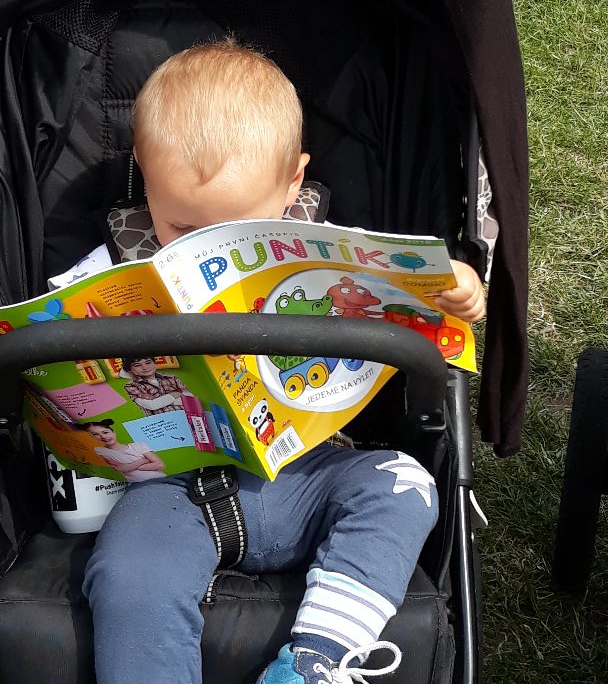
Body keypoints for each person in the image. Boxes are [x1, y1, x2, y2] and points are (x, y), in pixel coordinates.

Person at [76, 40, 486, 684]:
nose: (207, 244)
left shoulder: (329, 257)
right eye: (182, 228)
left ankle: (313, 661)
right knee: (128, 576)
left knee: (404, 487)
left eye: (235, 227)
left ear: (294, 181)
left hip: (310, 472)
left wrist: (455, 286)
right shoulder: (115, 265)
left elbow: (421, 292)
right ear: (142, 172)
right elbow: (53, 338)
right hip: (170, 489)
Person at [82, 418, 166, 482]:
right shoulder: (100, 451)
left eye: (105, 432)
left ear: (113, 432)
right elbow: (119, 469)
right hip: (138, 485)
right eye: (96, 434)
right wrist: (143, 461)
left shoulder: (139, 445)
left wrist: (127, 466)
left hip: (161, 478)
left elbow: (160, 465)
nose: (103, 437)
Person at [121, 356, 193, 415]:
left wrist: (159, 401)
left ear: (154, 363)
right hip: (162, 423)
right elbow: (152, 405)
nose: (145, 367)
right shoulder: (132, 386)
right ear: (129, 369)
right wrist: (176, 394)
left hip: (186, 416)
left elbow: (190, 399)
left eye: (148, 362)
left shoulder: (172, 378)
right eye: (137, 365)